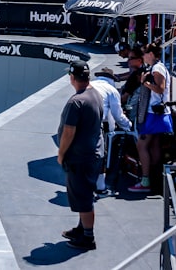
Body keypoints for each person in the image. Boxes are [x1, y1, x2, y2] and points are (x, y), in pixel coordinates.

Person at [58, 60, 103, 251]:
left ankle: (88, 238)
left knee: (83, 198)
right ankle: (81, 228)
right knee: (82, 195)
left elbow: (69, 132)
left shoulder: (76, 102)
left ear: (72, 77)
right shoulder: (95, 95)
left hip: (80, 158)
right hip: (93, 154)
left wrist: (61, 154)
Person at [128, 43, 173, 193]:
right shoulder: (157, 67)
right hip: (157, 114)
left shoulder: (157, 68)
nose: (143, 57)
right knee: (153, 146)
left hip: (154, 115)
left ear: (152, 54)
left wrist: (145, 83)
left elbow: (160, 88)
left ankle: (145, 180)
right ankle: (154, 179)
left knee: (142, 146)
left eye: (145, 54)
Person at [90, 68, 133, 194]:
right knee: (101, 155)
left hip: (80, 122)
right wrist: (128, 125)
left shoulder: (89, 85)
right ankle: (101, 187)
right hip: (96, 123)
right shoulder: (111, 90)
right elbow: (117, 115)